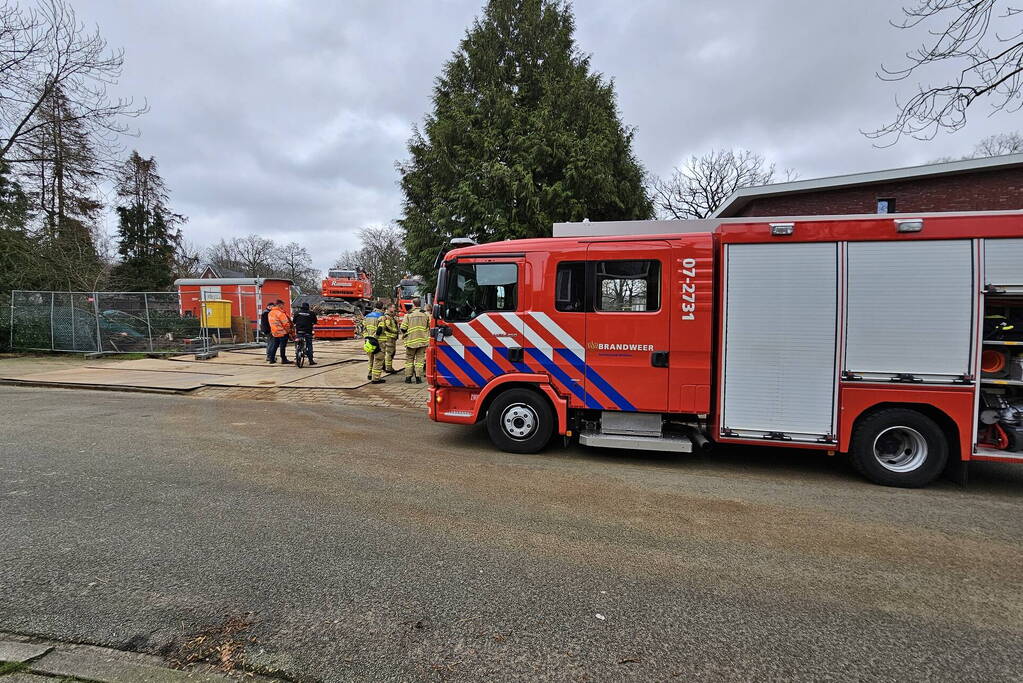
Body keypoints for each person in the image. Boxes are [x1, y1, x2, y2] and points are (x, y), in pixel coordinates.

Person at [401, 297, 430, 384]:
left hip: (411, 341)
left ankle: (408, 378)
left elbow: (403, 328)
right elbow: (431, 326)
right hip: (422, 341)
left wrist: (406, 335)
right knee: (420, 360)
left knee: (409, 360)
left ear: (413, 304)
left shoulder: (408, 314)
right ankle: (418, 378)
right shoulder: (426, 314)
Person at [376, 303, 400, 380]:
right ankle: (388, 368)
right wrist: (395, 331)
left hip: (392, 338)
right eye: (393, 307)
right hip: (389, 338)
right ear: (389, 308)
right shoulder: (387, 317)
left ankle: (386, 366)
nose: (394, 309)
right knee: (389, 353)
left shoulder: (391, 317)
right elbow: (387, 327)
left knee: (391, 353)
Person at [363, 300, 384, 382]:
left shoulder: (367, 316)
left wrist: (367, 338)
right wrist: (375, 338)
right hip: (377, 341)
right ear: (382, 307)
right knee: (378, 359)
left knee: (370, 358)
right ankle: (376, 378)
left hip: (368, 341)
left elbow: (364, 329)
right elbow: (380, 329)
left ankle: (369, 374)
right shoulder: (381, 316)